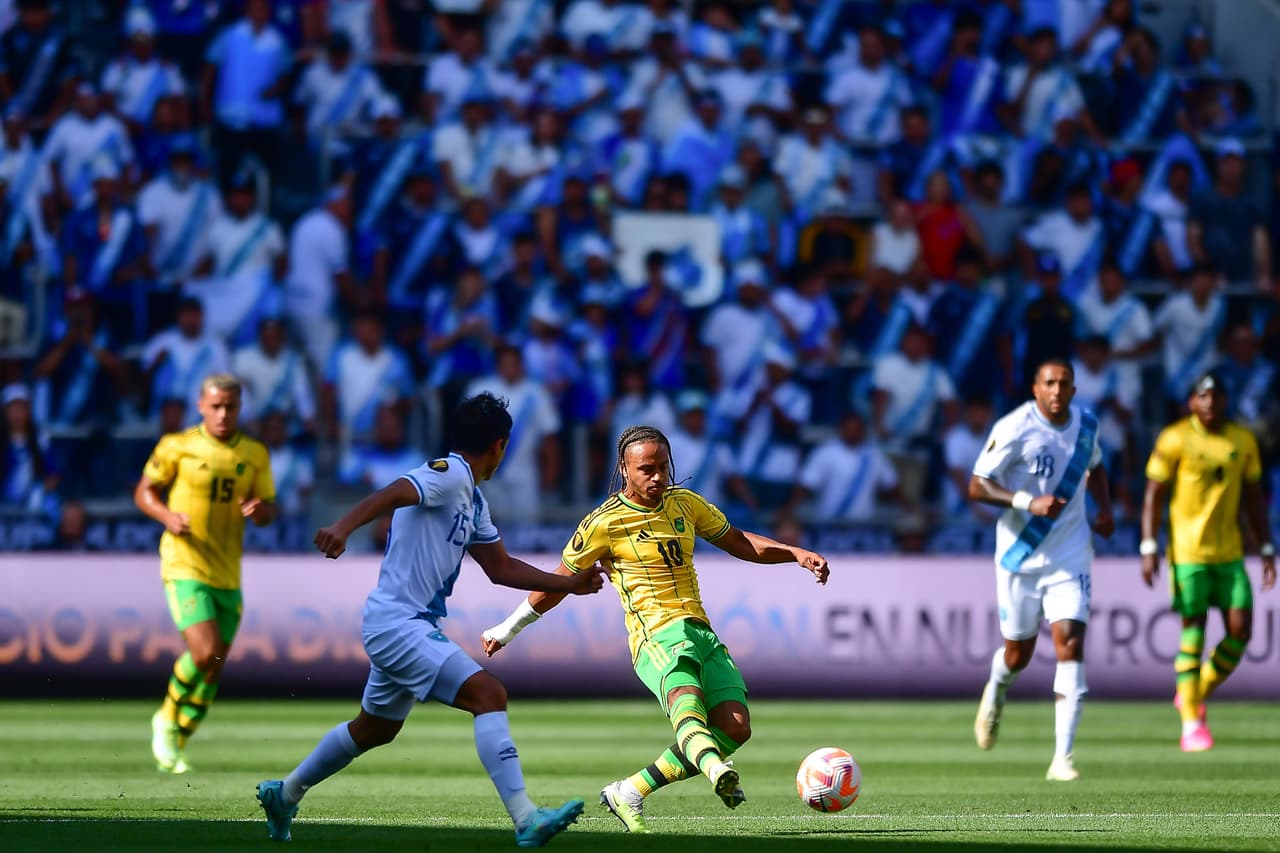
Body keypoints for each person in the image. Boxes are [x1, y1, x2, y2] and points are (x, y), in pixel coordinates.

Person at [255, 393, 601, 846]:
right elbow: (395, 491)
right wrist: (343, 527)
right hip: (399, 623)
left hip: (405, 624)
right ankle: (526, 818)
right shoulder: (450, 473)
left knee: (375, 728)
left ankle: (286, 794)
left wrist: (568, 584)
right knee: (488, 694)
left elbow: (500, 568)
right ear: (499, 445)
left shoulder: (473, 499)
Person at [480, 424, 830, 833]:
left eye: (662, 467)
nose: (658, 477)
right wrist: (507, 629)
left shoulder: (684, 503)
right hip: (655, 636)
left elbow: (737, 541)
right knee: (689, 710)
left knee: (735, 726)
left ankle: (629, 791)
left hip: (701, 631)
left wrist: (795, 553)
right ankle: (716, 770)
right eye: (647, 469)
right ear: (625, 469)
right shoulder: (603, 523)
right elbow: (556, 584)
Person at [970, 359, 1114, 782]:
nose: (1056, 390)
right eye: (1049, 383)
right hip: (1019, 557)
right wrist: (1025, 502)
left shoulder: (1087, 425)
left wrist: (1104, 509)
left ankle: (1062, 758)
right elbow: (977, 484)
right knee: (1019, 654)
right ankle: (997, 687)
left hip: (1070, 554)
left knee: (1069, 641)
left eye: (1064, 383)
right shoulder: (1014, 427)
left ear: (1073, 389)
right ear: (1035, 388)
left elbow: (1096, 465)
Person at [134, 373, 276, 774]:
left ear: (239, 407)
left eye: (230, 406)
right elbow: (144, 492)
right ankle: (164, 718)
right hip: (185, 563)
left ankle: (179, 740)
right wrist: (166, 515)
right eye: (215, 406)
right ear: (201, 406)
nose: (223, 414)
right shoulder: (177, 446)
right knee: (203, 649)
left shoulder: (254, 453)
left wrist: (260, 512)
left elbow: (268, 510)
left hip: (228, 572)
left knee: (214, 661)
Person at [1140, 372, 1275, 752]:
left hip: (1230, 551)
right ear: (1191, 402)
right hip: (1187, 552)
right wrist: (1149, 545)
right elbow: (1154, 492)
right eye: (1203, 397)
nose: (1210, 403)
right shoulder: (1175, 438)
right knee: (1194, 626)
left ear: (1225, 400)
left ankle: (1193, 692)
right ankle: (1191, 724)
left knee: (1241, 630)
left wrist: (1265, 547)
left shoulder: (1242, 440)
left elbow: (1253, 498)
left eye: (1216, 396)